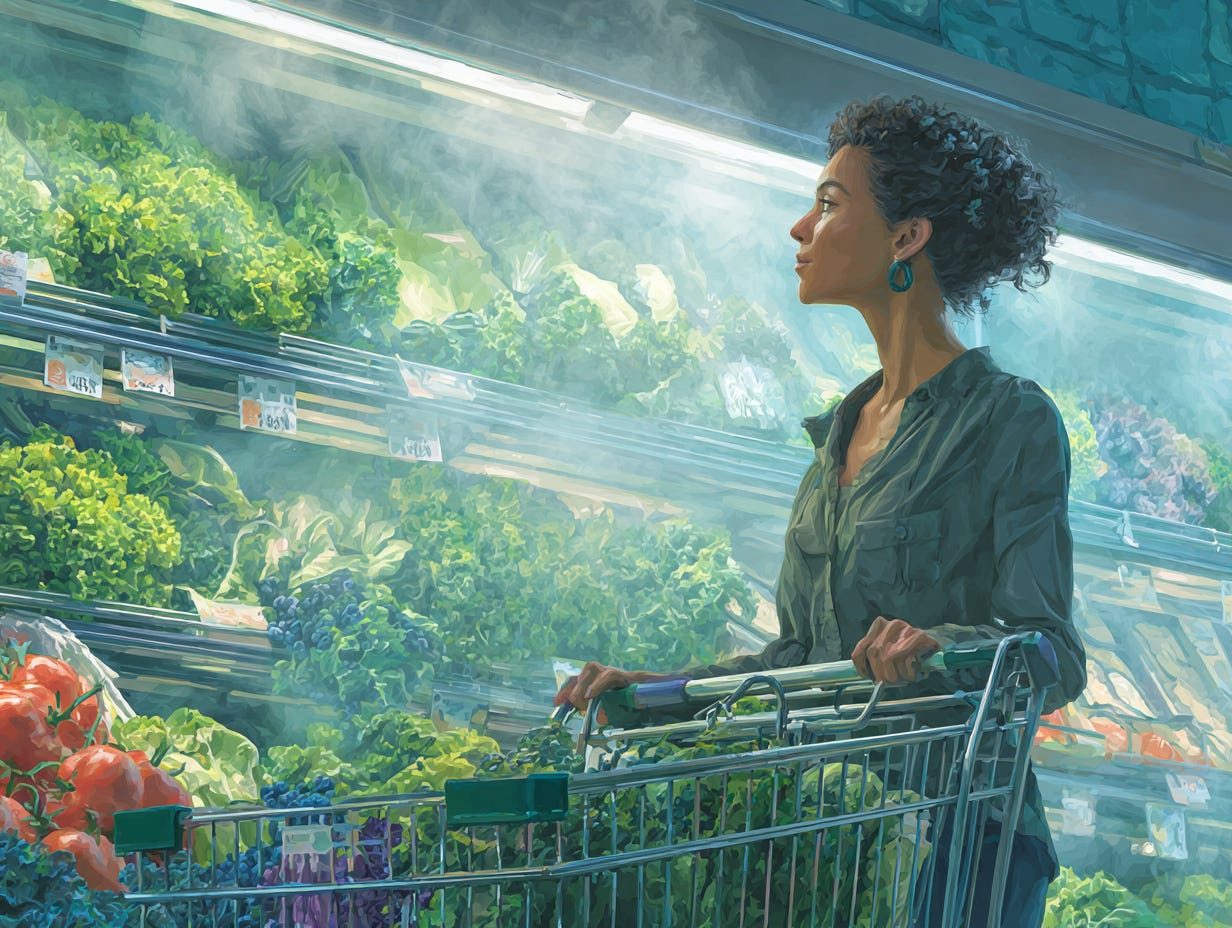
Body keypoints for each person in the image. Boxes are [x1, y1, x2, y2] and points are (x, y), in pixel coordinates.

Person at [555, 95, 1087, 928]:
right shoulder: (842, 427)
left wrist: (939, 647)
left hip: (953, 852)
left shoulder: (1008, 421)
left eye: (830, 204)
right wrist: (662, 689)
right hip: (827, 842)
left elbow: (1053, 654)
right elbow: (802, 657)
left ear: (907, 237)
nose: (799, 229)